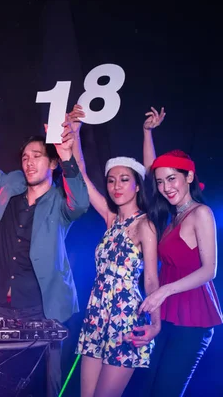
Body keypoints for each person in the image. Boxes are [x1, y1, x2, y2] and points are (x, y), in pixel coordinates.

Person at [0, 79, 90, 395]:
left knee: (45, 384)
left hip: (43, 311)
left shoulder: (61, 201)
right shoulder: (11, 186)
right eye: (25, 157)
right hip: (2, 308)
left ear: (53, 163)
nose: (29, 162)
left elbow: (82, 202)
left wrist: (69, 155)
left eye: (37, 156)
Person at [69, 105, 160, 397]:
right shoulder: (110, 219)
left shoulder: (146, 224)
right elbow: (81, 174)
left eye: (124, 179)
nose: (116, 185)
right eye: (111, 180)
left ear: (136, 185)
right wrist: (76, 132)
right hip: (97, 315)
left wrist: (155, 324)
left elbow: (151, 281)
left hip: (126, 319)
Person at [133, 107, 222, 396]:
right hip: (169, 313)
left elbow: (210, 270)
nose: (165, 186)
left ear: (189, 176)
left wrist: (162, 291)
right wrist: (147, 132)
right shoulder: (171, 216)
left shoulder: (201, 213)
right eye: (161, 182)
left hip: (194, 315)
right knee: (150, 389)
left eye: (172, 179)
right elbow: (151, 172)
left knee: (166, 391)